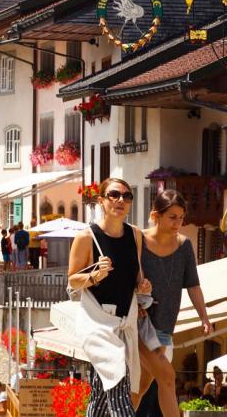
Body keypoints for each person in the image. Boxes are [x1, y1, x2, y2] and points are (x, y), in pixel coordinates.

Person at [68, 177, 149, 417]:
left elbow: (134, 277)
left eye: (126, 196)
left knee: (101, 396)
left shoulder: (135, 236)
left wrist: (142, 286)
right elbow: (72, 279)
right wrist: (95, 274)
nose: (120, 200)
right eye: (114, 195)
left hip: (125, 321)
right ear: (102, 201)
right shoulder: (87, 237)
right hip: (97, 322)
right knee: (118, 379)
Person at [138, 190, 212, 417]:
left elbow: (193, 285)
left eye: (181, 217)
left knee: (140, 389)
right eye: (172, 217)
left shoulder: (185, 246)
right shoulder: (138, 241)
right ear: (155, 215)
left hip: (165, 329)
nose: (178, 223)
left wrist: (204, 317)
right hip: (140, 325)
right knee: (168, 379)